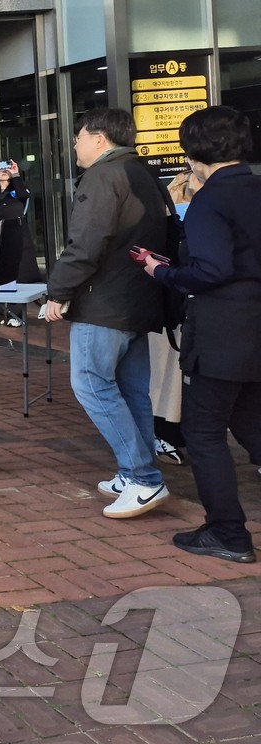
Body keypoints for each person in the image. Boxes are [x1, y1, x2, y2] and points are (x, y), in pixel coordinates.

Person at [142, 105, 261, 563]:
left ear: (194, 152)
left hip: (223, 332)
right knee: (251, 421)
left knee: (204, 430)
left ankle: (228, 532)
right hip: (255, 328)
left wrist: (163, 272)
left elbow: (211, 269)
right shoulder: (256, 189)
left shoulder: (212, 200)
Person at [45, 107, 171, 518]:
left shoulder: (102, 175)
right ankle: (132, 471)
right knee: (132, 391)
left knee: (91, 384)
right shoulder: (145, 173)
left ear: (99, 139)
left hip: (106, 303)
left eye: (79, 137)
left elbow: (85, 243)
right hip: (141, 298)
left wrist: (58, 291)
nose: (75, 145)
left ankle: (143, 478)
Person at [151, 168, 205, 467]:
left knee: (165, 377)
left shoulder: (165, 220)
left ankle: (165, 434)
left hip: (169, 309)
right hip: (181, 309)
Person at [0, 159, 43, 327]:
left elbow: (24, 196)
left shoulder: (18, 190)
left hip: (15, 235)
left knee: (17, 275)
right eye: (1, 168)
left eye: (7, 168)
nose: (4, 171)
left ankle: (15, 315)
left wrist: (15, 174)